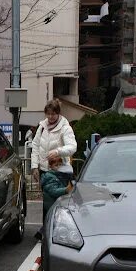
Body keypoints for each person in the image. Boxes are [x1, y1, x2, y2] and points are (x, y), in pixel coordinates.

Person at [31, 99, 77, 239]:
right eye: (48, 114)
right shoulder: (42, 126)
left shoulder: (65, 127)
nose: (50, 117)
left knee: (59, 201)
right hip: (45, 170)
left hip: (60, 171)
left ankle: (57, 231)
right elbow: (35, 146)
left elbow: (72, 147)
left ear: (58, 114)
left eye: (53, 114)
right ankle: (46, 230)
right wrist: (34, 167)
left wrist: (58, 151)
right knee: (47, 202)